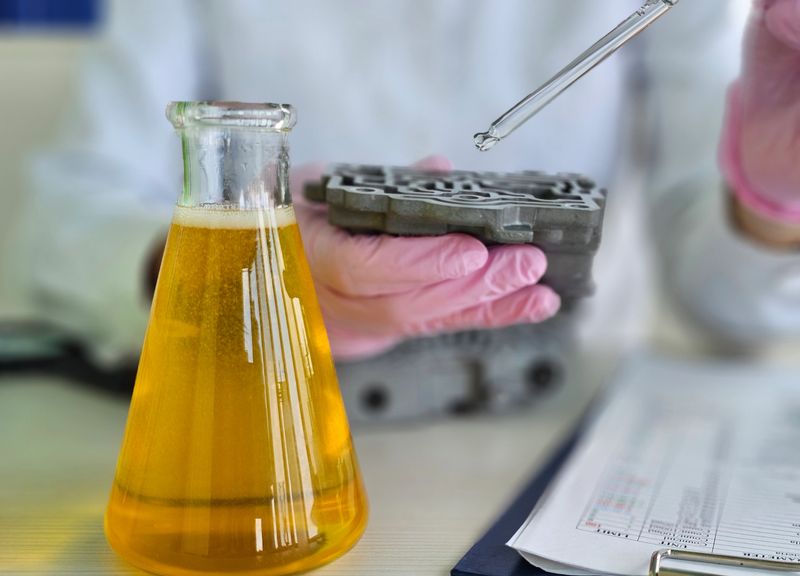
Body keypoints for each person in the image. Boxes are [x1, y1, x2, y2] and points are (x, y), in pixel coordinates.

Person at [7, 0, 799, 367]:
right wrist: (248, 277)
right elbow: (64, 224)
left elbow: (732, 312)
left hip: (556, 427)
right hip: (265, 396)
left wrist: (774, 198)